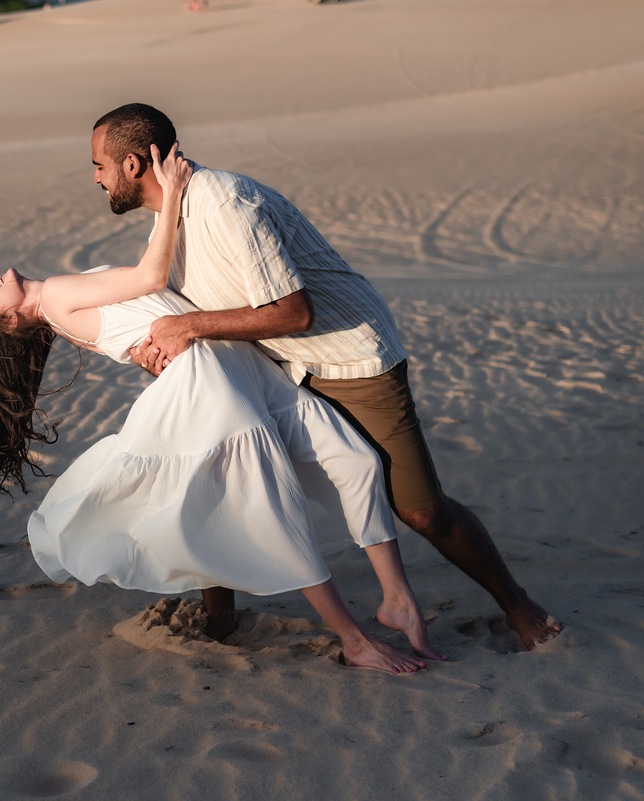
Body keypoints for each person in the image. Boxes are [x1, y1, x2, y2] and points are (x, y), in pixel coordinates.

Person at [0, 145, 444, 672]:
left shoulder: (62, 308)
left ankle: (397, 599)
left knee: (354, 461)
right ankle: (354, 638)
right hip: (212, 383)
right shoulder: (58, 295)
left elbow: (143, 333)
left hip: (240, 366)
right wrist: (175, 192)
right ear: (13, 323)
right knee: (271, 510)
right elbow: (152, 278)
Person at [90, 103, 561, 650]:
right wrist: (163, 344)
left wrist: (190, 327)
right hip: (278, 364)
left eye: (98, 165)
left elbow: (295, 312)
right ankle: (219, 621)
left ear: (131, 165)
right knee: (209, 463)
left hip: (347, 356)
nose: (94, 178)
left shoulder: (223, 202)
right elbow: (172, 306)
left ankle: (518, 605)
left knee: (421, 509)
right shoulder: (171, 215)